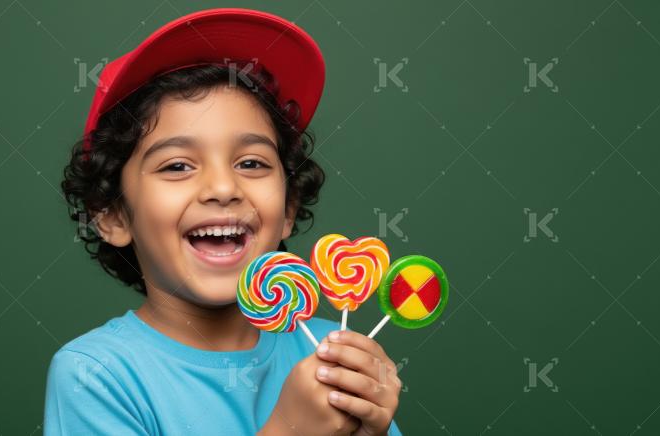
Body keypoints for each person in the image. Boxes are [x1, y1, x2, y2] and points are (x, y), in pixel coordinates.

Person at [45, 8, 402, 435]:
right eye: (177, 166)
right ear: (113, 214)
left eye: (251, 162)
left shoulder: (332, 355)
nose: (222, 186)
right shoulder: (96, 376)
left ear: (288, 209)